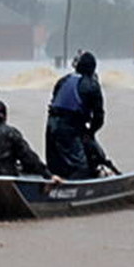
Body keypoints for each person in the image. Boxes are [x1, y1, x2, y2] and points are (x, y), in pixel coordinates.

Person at [45, 51, 105, 180]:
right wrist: (90, 133)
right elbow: (99, 116)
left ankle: (54, 179)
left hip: (51, 125)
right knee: (80, 167)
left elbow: (56, 101)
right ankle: (72, 189)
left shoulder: (63, 80)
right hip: (68, 128)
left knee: (54, 165)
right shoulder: (92, 85)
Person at [0, 100, 59, 180]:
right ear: (5, 117)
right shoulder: (12, 133)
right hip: (5, 175)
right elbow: (28, 158)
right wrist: (48, 175)